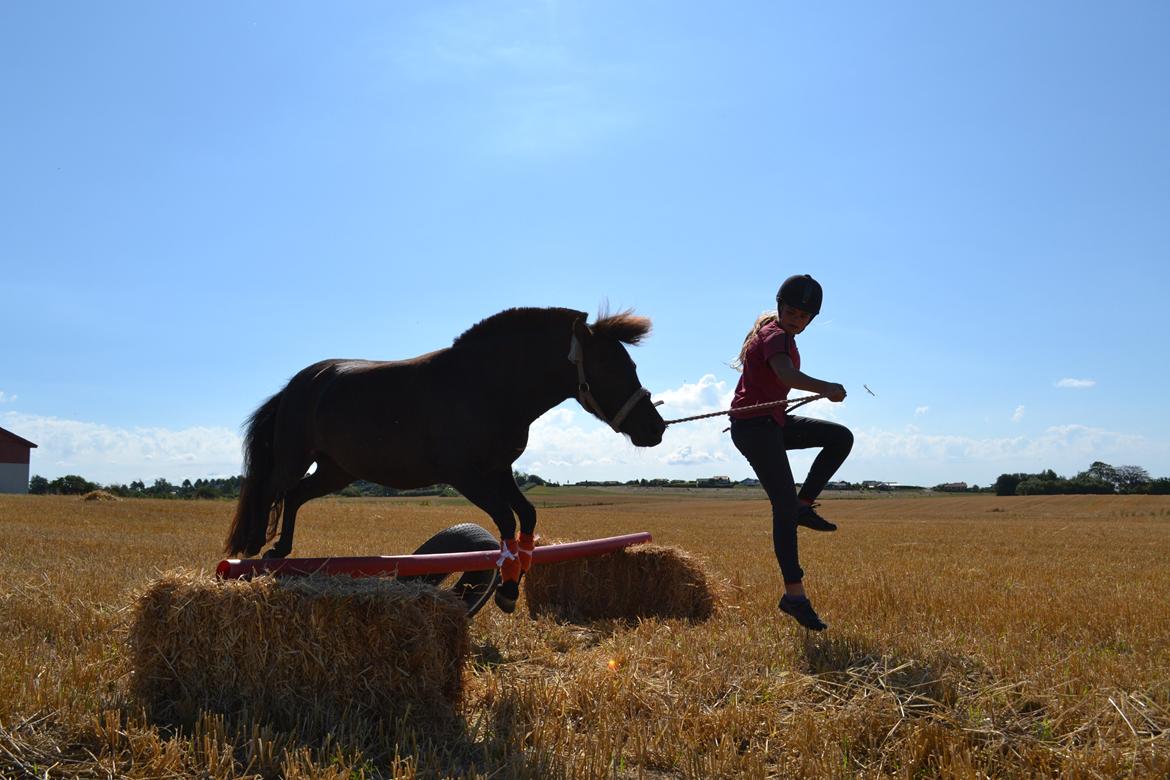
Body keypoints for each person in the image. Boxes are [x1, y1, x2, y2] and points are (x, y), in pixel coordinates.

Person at [729, 274, 853, 631]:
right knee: (780, 507)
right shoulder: (775, 334)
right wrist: (825, 387)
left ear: (812, 319)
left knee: (839, 438)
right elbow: (784, 374)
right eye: (792, 311)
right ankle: (794, 596)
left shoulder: (780, 334)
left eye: (804, 315)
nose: (797, 318)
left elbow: (781, 377)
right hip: (754, 428)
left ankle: (804, 504)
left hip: (772, 422)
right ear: (781, 306)